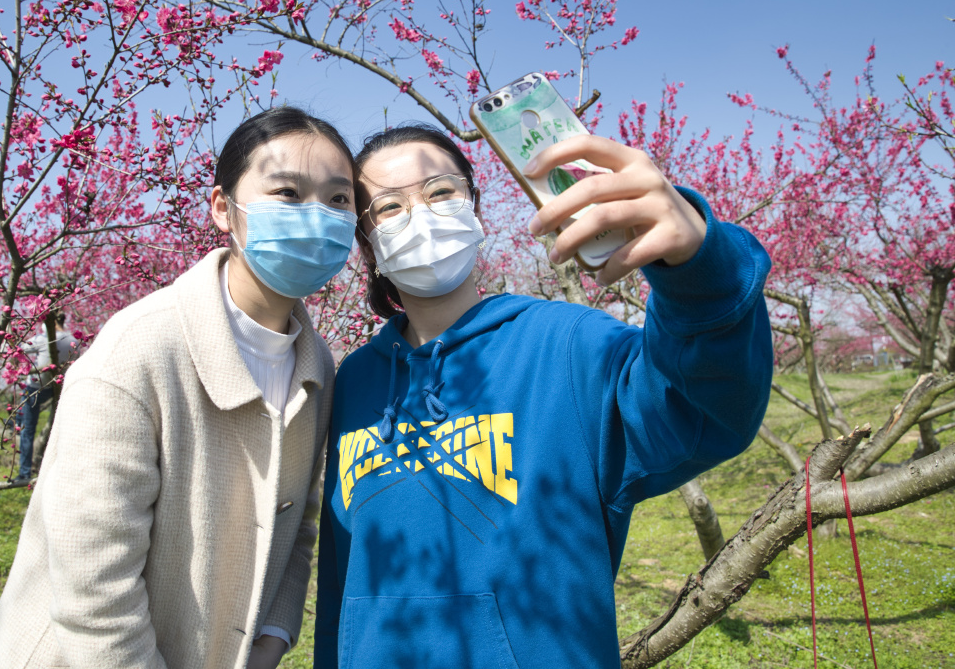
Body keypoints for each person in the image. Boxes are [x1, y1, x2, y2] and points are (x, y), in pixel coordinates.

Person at [314, 125, 773, 668]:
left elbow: (704, 410)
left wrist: (699, 269)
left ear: (475, 209)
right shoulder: (354, 379)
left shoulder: (571, 344)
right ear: (368, 244)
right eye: (389, 207)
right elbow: (342, 571)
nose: (420, 216)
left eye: (440, 192)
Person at [0, 106, 358, 669]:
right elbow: (94, 588)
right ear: (223, 209)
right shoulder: (137, 349)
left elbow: (298, 520)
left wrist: (274, 636)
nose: (315, 216)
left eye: (338, 199)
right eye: (287, 192)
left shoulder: (317, 365)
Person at [11, 311, 75, 482]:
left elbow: (17, 350)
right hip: (58, 388)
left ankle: (24, 472)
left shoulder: (43, 338)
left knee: (27, 430)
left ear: (50, 322)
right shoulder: (74, 340)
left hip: (35, 388)